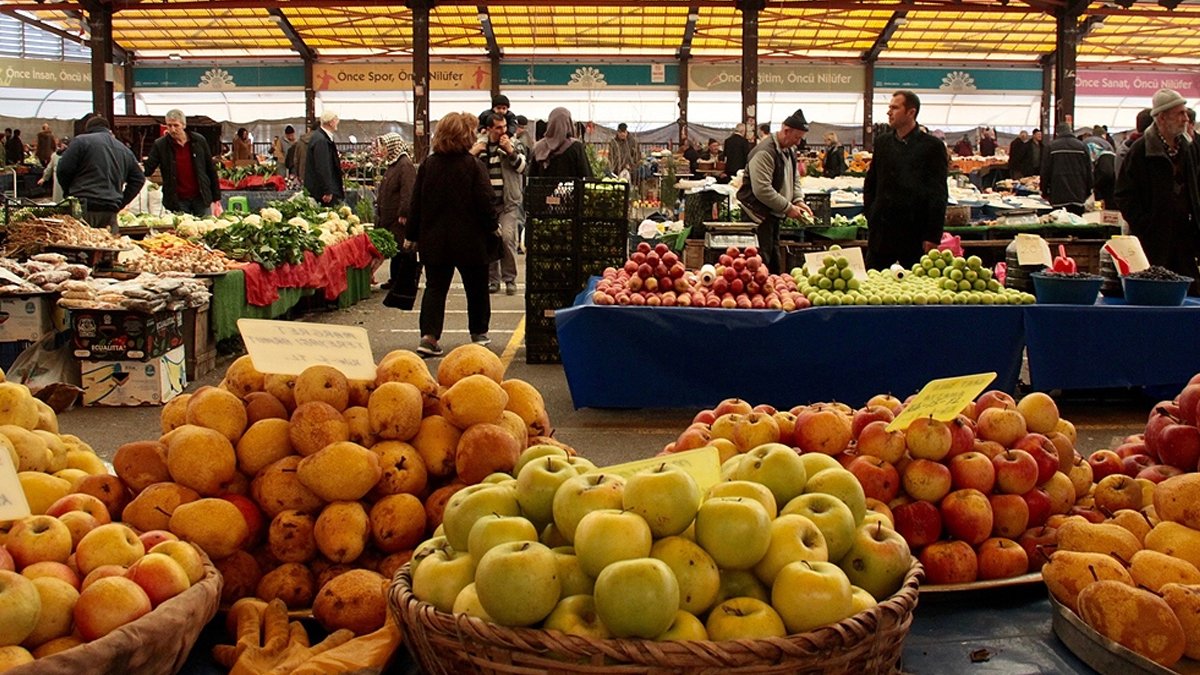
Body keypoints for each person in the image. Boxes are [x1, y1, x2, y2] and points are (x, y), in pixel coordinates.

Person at [404, 112, 499, 356]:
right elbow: (485, 203)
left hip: (435, 240)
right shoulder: (474, 166)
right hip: (470, 241)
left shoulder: (428, 165)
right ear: (465, 135)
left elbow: (417, 203)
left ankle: (429, 338)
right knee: (476, 288)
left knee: (435, 288)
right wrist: (492, 227)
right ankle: (479, 335)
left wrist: (411, 235)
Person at [1114, 88, 1200, 291]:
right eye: (1180, 113)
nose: (1185, 118)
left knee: (1191, 293)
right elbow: (1124, 194)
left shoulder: (1189, 148)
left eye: (1185, 113)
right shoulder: (1141, 150)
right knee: (1154, 293)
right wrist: (1145, 223)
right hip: (1153, 241)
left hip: (1184, 239)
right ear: (1162, 117)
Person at [863, 90, 948, 270]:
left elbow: (938, 194)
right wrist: (872, 215)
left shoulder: (932, 147)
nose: (889, 112)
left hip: (914, 233)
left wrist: (933, 235)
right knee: (873, 284)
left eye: (895, 108)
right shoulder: (882, 142)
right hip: (882, 233)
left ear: (911, 112)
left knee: (915, 291)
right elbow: (871, 182)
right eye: (889, 107)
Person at [735, 109, 814, 273]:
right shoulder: (765, 152)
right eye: (796, 137)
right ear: (786, 131)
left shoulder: (789, 150)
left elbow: (794, 178)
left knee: (773, 260)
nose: (798, 142)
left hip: (773, 214)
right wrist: (788, 207)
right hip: (758, 217)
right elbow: (762, 190)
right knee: (760, 263)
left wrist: (798, 199)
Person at [56, 116, 145, 232]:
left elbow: (63, 170)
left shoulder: (81, 141)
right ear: (109, 130)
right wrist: (120, 202)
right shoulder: (124, 150)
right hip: (110, 211)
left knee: (81, 245)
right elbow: (139, 179)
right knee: (108, 246)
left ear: (88, 129)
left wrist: (68, 192)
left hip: (84, 207)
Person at [472, 112, 527, 296]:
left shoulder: (513, 144)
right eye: (498, 128)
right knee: (490, 239)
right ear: (488, 130)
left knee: (507, 238)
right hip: (487, 205)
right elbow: (467, 168)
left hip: (508, 202)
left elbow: (522, 168)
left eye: (504, 127)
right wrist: (475, 152)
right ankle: (492, 280)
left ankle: (510, 279)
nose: (503, 131)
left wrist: (510, 151)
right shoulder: (480, 146)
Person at [142, 109, 222, 217]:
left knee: (205, 227)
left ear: (183, 125)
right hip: (177, 200)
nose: (172, 129)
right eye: (169, 126)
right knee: (183, 230)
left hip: (201, 196)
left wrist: (216, 197)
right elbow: (148, 168)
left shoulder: (199, 141)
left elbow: (210, 169)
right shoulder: (160, 145)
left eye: (176, 125)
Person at [374, 133, 416, 291]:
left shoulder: (404, 165)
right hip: (391, 216)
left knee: (403, 250)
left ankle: (404, 281)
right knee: (396, 250)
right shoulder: (394, 164)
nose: (382, 149)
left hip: (399, 218)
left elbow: (408, 191)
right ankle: (395, 279)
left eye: (384, 146)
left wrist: (404, 212)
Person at [1040, 123, 1092, 215]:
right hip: (1078, 193)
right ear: (1070, 131)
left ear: (1057, 133)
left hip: (1058, 193)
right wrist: (1088, 191)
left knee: (1059, 223)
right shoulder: (1082, 146)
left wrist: (1044, 191)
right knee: (1077, 223)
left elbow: (1045, 171)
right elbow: (1089, 170)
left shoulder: (1051, 147)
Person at [530, 107, 592, 178]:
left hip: (543, 189)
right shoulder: (576, 147)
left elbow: (531, 178)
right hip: (571, 188)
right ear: (569, 123)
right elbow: (586, 176)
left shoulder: (539, 147)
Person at [304, 111, 345, 205]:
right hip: (321, 193)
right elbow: (323, 166)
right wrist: (327, 190)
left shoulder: (320, 137)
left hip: (320, 190)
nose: (337, 122)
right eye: (336, 120)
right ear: (331, 122)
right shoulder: (321, 140)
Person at [1085, 136, 1117, 207]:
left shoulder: (1105, 158)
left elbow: (1106, 173)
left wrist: (1095, 183)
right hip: (1111, 195)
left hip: (1108, 195)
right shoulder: (1110, 157)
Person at [37, 137, 68, 202]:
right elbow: (49, 167)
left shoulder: (57, 155)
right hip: (59, 178)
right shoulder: (55, 155)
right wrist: (44, 178)